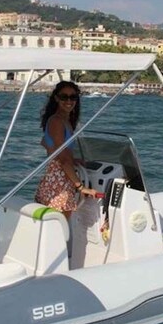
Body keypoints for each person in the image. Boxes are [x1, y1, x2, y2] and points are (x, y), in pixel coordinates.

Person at [34, 81, 96, 220]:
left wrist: (74, 160)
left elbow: (58, 153)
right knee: (59, 230)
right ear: (56, 98)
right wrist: (81, 187)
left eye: (73, 97)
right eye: (64, 97)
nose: (69, 101)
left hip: (57, 179)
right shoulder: (56, 122)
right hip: (58, 182)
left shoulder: (64, 121)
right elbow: (62, 159)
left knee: (57, 229)